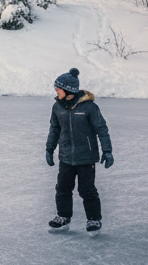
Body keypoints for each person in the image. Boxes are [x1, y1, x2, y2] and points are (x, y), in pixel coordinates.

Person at [46, 67, 113, 233]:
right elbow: (54, 129)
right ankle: (63, 217)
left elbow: (102, 129)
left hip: (86, 157)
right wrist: (49, 149)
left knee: (87, 190)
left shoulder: (89, 107)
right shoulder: (57, 107)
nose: (56, 91)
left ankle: (94, 219)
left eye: (58, 89)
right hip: (66, 156)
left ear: (68, 90)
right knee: (62, 188)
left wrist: (107, 151)